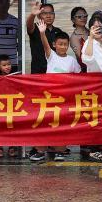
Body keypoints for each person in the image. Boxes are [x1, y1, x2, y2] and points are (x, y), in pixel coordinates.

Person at [29, 20, 79, 163]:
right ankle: (40, 151)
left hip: (64, 99)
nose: (63, 47)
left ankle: (60, 151)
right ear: (54, 45)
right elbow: (45, 45)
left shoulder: (71, 61)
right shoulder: (51, 56)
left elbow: (79, 78)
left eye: (65, 44)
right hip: (48, 98)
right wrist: (42, 33)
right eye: (60, 44)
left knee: (61, 126)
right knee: (43, 124)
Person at [26, 2, 60, 75]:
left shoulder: (58, 31)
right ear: (39, 16)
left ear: (54, 15)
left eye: (51, 13)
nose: (48, 16)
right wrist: (32, 15)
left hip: (55, 70)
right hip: (38, 71)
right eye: (44, 13)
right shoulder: (36, 28)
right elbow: (29, 26)